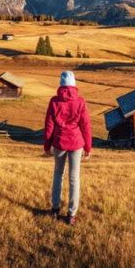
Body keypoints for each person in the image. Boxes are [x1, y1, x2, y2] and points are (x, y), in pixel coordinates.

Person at [44, 70, 92, 225]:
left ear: (61, 84)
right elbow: (86, 125)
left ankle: (55, 209)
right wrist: (88, 146)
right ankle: (71, 214)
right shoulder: (80, 102)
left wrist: (47, 145)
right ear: (74, 84)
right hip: (77, 143)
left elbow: (49, 125)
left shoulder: (54, 101)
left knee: (58, 175)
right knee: (74, 178)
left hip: (59, 142)